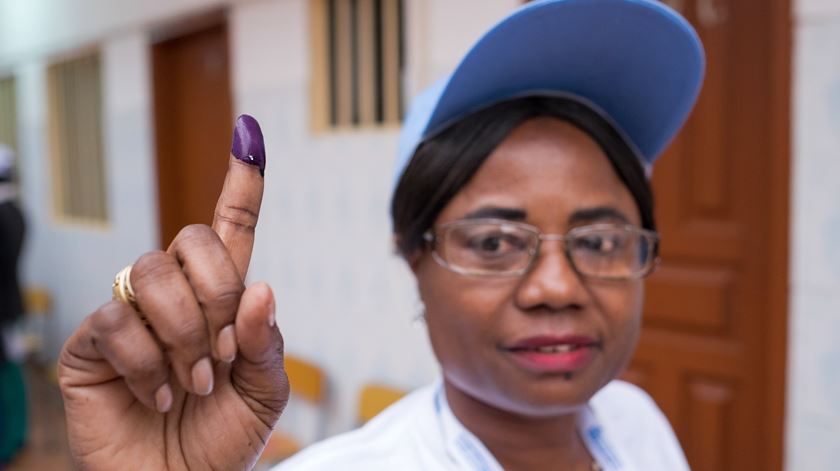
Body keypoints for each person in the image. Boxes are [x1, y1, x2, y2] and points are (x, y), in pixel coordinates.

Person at [58, 0, 705, 469]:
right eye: (493, 242)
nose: (558, 287)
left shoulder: (638, 425)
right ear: (412, 255)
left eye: (597, 241)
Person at [0, 143, 28, 465]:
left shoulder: (3, 215)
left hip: (3, 307)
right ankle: (15, 435)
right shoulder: (15, 210)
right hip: (10, 303)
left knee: (7, 372)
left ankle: (10, 441)